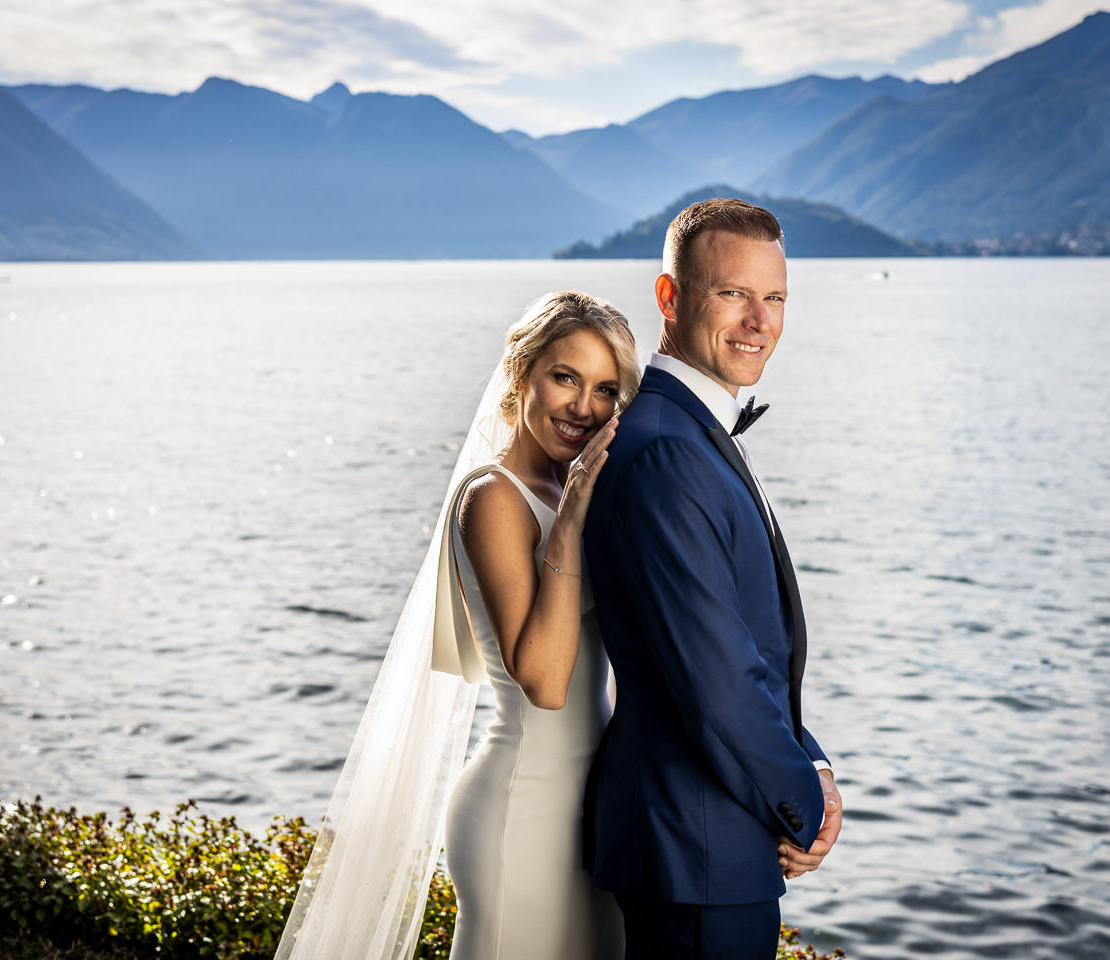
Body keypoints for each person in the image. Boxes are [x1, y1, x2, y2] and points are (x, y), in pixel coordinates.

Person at [274, 291, 639, 960]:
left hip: (594, 818)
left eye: (605, 389)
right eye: (565, 377)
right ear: (523, 372)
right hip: (522, 813)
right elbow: (546, 683)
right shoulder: (494, 497)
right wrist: (571, 527)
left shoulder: (575, 491)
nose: (582, 407)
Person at [582, 198, 844, 959]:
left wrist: (815, 765)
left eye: (775, 299)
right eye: (733, 293)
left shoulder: (692, 431)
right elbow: (716, 677)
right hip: (694, 851)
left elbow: (752, 655)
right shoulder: (665, 449)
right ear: (670, 298)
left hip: (714, 848)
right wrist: (806, 806)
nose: (758, 321)